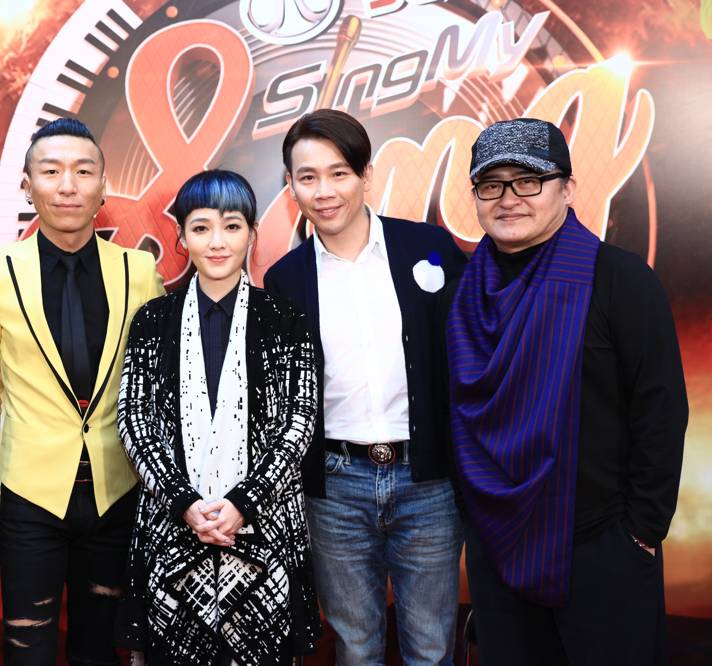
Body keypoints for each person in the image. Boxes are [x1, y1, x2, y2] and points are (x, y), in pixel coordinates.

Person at [446, 118, 688, 665]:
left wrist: (640, 534)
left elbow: (660, 411)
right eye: (491, 184)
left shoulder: (620, 280)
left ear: (568, 188)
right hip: (498, 548)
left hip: (600, 548)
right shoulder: (463, 297)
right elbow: (455, 413)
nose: (509, 199)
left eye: (528, 181)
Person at [263, 109, 467, 665]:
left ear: (366, 175)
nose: (324, 191)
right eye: (308, 177)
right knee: (355, 647)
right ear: (291, 186)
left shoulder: (428, 248)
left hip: (427, 480)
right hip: (335, 485)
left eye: (339, 173)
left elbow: (471, 354)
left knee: (431, 648)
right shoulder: (284, 280)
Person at [0, 118, 163, 665]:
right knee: (27, 646)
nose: (68, 185)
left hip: (118, 489)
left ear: (103, 184)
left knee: (100, 648)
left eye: (83, 171)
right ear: (28, 185)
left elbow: (157, 386)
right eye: (51, 172)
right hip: (29, 495)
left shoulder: (140, 271)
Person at [116, 170, 322, 665]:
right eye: (201, 227)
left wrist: (244, 503)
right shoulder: (152, 320)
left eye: (231, 226)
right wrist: (183, 502)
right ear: (182, 237)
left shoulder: (285, 319)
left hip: (265, 532)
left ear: (252, 233)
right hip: (173, 529)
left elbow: (298, 421)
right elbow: (134, 420)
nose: (217, 242)